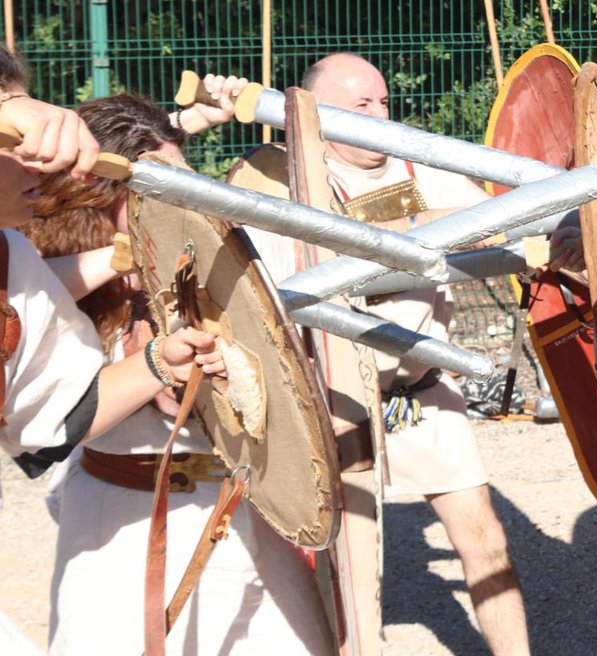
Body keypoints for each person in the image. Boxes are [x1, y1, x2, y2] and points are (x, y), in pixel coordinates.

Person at [24, 91, 334, 655]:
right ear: (97, 198)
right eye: (161, 191)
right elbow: (47, 407)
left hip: (240, 511)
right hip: (116, 528)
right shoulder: (54, 276)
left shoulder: (212, 260)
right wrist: (119, 266)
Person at [253, 53, 529, 655]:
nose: (379, 117)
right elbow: (302, 253)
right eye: (360, 107)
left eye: (382, 103)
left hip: (424, 388)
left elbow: (500, 221)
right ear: (318, 114)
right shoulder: (280, 176)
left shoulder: (414, 162)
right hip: (338, 395)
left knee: (483, 537)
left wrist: (415, 228)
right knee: (352, 568)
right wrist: (427, 232)